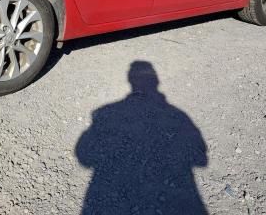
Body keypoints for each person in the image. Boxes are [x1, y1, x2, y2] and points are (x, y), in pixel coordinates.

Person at [76, 61, 208, 214]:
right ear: (157, 81)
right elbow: (201, 160)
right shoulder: (179, 115)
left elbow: (84, 156)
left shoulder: (105, 112)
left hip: (109, 195)